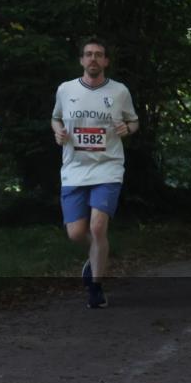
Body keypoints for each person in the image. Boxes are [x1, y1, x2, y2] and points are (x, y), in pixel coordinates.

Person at [51, 36, 138, 309]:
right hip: (75, 168)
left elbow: (133, 121)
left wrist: (128, 129)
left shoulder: (119, 91)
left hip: (108, 166)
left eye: (99, 54)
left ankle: (96, 288)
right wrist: (58, 131)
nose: (93, 59)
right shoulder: (65, 90)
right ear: (81, 60)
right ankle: (96, 253)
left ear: (106, 61)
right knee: (76, 233)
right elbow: (55, 117)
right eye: (88, 54)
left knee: (98, 227)